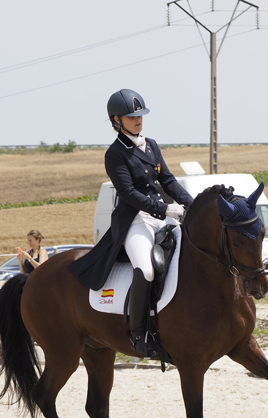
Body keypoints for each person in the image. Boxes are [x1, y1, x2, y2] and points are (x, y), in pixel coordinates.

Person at [68, 88, 194, 357]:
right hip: (136, 221)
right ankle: (139, 334)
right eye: (131, 116)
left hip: (162, 218)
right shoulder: (115, 154)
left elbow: (168, 180)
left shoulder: (151, 145)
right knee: (146, 270)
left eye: (140, 115)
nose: (138, 120)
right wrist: (166, 209)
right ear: (117, 120)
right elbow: (129, 194)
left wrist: (192, 204)